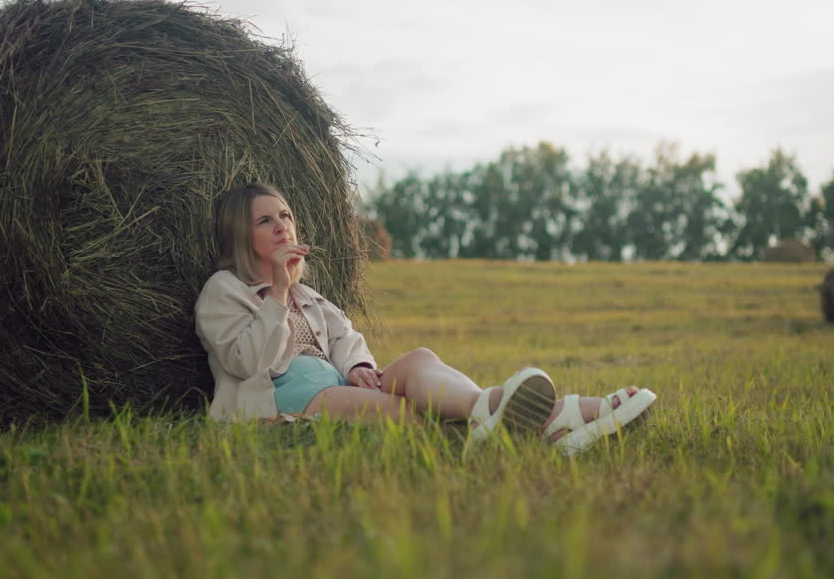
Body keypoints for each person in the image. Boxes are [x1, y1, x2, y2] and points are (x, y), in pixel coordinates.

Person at [194, 183, 656, 454]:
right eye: (265, 221)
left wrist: (357, 365)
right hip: (285, 401)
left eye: (286, 215)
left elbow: (346, 339)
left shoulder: (310, 296)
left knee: (419, 358)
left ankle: (493, 410)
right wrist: (276, 290)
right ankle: (573, 415)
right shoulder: (224, 291)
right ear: (240, 234)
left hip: (337, 385)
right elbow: (247, 362)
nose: (282, 226)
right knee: (405, 413)